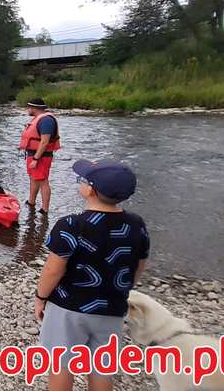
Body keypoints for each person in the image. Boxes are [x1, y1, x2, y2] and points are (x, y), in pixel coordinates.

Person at [34, 159, 147, 391]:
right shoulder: (137, 225)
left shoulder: (71, 225)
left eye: (83, 180)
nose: (81, 182)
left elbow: (53, 270)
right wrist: (122, 291)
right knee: (102, 368)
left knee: (61, 363)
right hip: (112, 308)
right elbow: (139, 265)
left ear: (90, 190)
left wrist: (40, 297)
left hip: (68, 307)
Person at [19, 98, 60, 214]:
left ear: (34, 108)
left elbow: (44, 142)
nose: (27, 110)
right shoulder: (38, 119)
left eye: (28, 107)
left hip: (41, 156)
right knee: (33, 178)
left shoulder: (46, 120)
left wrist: (36, 158)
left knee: (43, 181)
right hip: (33, 154)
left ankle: (45, 209)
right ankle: (31, 202)